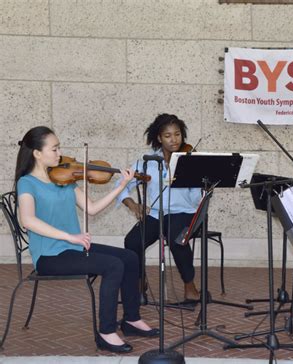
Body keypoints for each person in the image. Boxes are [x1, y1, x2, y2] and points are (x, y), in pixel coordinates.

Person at [15, 126, 159, 354]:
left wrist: (121, 186)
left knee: (129, 257)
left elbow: (91, 208)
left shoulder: (64, 178)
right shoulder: (27, 183)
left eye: (59, 147)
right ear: (37, 153)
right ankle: (106, 332)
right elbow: (28, 220)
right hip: (49, 255)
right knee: (112, 266)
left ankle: (131, 320)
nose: (59, 153)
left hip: (73, 247)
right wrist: (69, 236)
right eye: (54, 148)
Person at [118, 113, 201, 301]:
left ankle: (190, 286)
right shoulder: (147, 163)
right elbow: (121, 186)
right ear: (159, 138)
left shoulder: (189, 160)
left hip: (184, 213)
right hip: (156, 214)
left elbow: (196, 201)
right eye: (168, 135)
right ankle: (140, 281)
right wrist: (132, 204)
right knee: (132, 241)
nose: (174, 140)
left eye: (177, 134)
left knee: (176, 239)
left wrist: (194, 178)